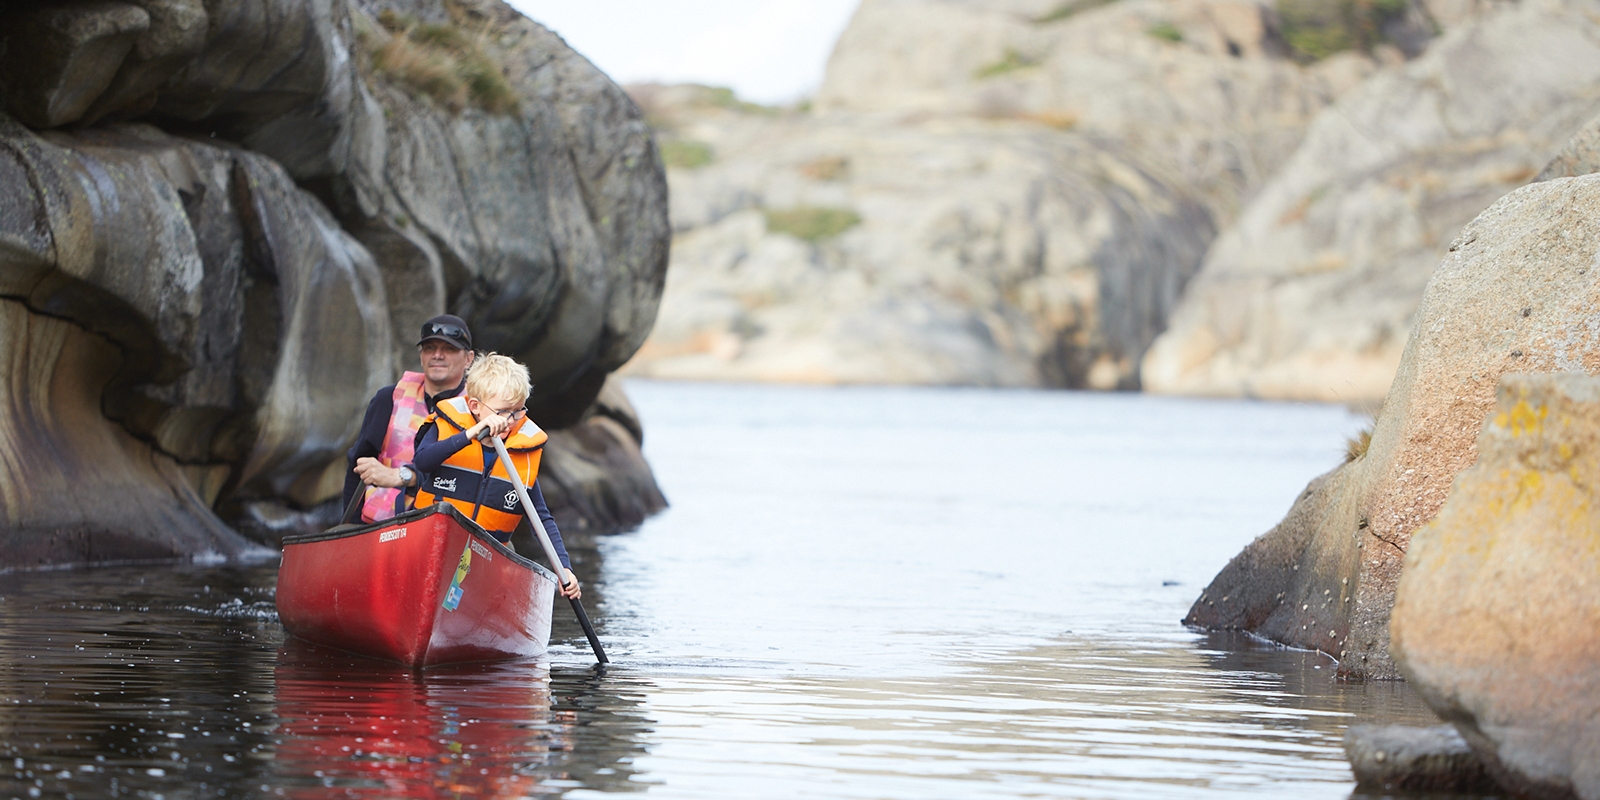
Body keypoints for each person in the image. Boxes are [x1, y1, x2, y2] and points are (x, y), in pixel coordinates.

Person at [412, 353, 581, 599]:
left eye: (517, 412)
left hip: (483, 560)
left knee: (506, 556)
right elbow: (422, 462)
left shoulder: (520, 455)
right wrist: (470, 434)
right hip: (429, 549)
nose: (510, 421)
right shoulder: (444, 429)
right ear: (475, 407)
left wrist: (563, 567)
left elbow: (540, 518)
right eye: (502, 412)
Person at [344, 314, 476, 523]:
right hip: (380, 526)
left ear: (469, 359)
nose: (438, 355)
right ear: (421, 355)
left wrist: (405, 476)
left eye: (449, 349)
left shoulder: (479, 409)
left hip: (445, 525)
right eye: (430, 348)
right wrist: (351, 527)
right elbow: (358, 465)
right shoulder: (387, 399)